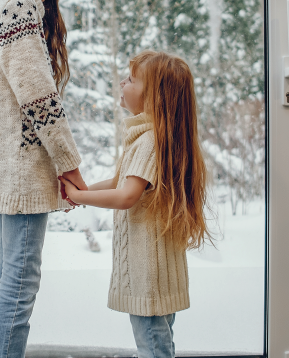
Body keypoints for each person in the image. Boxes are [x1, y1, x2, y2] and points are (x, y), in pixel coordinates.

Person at [0, 0, 88, 358]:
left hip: (6, 162)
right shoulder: (17, 5)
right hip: (21, 168)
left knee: (10, 281)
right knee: (19, 285)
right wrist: (69, 165)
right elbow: (39, 97)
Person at [60, 50, 214, 358]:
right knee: (158, 346)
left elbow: (126, 196)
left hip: (149, 276)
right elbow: (121, 182)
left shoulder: (149, 142)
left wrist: (78, 197)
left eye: (131, 79)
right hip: (157, 274)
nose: (122, 83)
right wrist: (81, 191)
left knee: (153, 349)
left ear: (154, 96)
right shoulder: (157, 137)